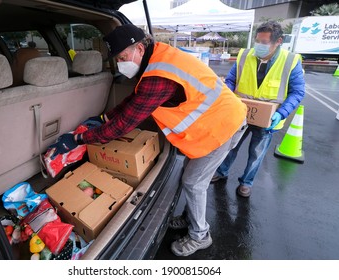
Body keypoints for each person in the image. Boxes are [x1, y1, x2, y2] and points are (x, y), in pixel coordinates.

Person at [50, 24, 247, 257]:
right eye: (117, 59)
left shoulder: (158, 76)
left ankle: (200, 235)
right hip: (214, 122)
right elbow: (134, 100)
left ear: (140, 49)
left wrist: (80, 138)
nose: (121, 63)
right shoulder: (157, 58)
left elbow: (123, 125)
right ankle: (189, 217)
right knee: (191, 177)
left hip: (222, 127)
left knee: (194, 182)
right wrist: (105, 116)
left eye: (123, 57)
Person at [211, 21, 305, 198]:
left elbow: (297, 92)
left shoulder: (291, 61)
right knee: (231, 147)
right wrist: (228, 96)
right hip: (240, 114)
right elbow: (231, 80)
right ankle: (221, 172)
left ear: (278, 41)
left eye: (264, 43)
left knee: (256, 153)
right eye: (257, 41)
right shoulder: (245, 55)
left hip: (267, 120)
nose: (259, 46)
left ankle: (246, 182)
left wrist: (281, 113)